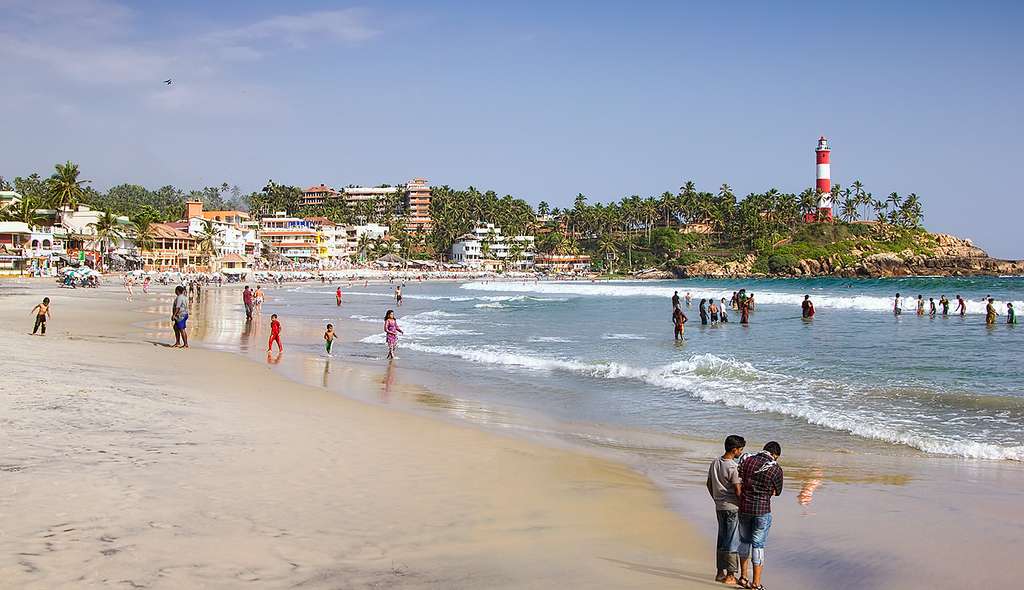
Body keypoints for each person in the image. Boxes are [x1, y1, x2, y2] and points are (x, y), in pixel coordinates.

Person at [737, 441, 784, 590]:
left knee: (744, 541)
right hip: (762, 509)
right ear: (775, 455)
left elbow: (740, 479)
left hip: (744, 507)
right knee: (758, 545)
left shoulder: (747, 459)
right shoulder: (776, 469)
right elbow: (777, 492)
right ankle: (756, 584)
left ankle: (743, 577)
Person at [707, 435, 746, 585]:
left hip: (719, 506)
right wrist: (743, 504)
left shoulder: (715, 462)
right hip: (732, 507)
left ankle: (719, 572)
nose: (741, 453)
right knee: (732, 540)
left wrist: (716, 498)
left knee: (722, 538)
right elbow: (737, 490)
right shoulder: (733, 467)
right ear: (734, 450)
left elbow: (709, 484)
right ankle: (730, 574)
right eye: (740, 450)